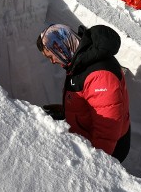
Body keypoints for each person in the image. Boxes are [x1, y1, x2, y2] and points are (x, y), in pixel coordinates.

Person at [37, 23, 131, 162]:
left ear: (61, 47)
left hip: (108, 149)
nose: (52, 61)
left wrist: (93, 166)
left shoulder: (99, 76)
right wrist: (66, 111)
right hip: (92, 137)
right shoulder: (80, 61)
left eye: (51, 56)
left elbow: (107, 131)